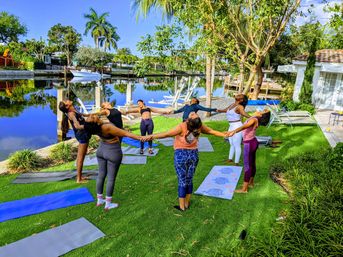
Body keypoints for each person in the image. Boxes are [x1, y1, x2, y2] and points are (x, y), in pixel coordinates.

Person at [142, 112, 227, 211]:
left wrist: (150, 136)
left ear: (188, 121)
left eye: (193, 115)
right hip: (193, 155)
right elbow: (212, 131)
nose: (193, 113)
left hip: (181, 155)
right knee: (189, 179)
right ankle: (186, 203)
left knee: (182, 180)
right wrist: (225, 134)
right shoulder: (199, 126)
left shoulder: (182, 126)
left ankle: (182, 207)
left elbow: (166, 134)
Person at [84, 114, 141, 210]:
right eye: (93, 117)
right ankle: (108, 204)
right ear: (96, 122)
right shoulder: (107, 127)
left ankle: (99, 200)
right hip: (113, 151)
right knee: (111, 178)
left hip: (101, 150)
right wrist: (141, 138)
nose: (93, 115)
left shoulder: (93, 128)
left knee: (101, 175)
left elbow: (81, 126)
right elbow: (126, 134)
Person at [226, 109, 271, 193]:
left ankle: (244, 189)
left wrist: (233, 131)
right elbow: (249, 120)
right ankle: (251, 183)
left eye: (264, 110)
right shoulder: (255, 117)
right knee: (252, 164)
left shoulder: (254, 119)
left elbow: (244, 127)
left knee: (247, 166)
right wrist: (254, 114)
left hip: (249, 144)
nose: (262, 109)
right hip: (253, 142)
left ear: (262, 115)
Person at [59, 100, 91, 183]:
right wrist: (90, 126)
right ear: (67, 106)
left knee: (82, 156)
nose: (68, 100)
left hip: (83, 134)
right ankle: (79, 179)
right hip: (81, 135)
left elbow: (85, 115)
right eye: (66, 102)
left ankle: (80, 177)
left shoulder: (74, 110)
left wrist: (96, 115)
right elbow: (77, 126)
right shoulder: (71, 114)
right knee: (80, 157)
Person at [217, 94, 250, 165]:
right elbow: (226, 110)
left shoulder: (240, 107)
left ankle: (236, 162)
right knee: (231, 143)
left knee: (237, 144)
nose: (238, 95)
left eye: (240, 96)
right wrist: (218, 110)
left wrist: (252, 117)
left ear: (241, 100)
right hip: (231, 126)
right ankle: (230, 159)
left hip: (237, 126)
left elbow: (244, 113)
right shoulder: (232, 104)